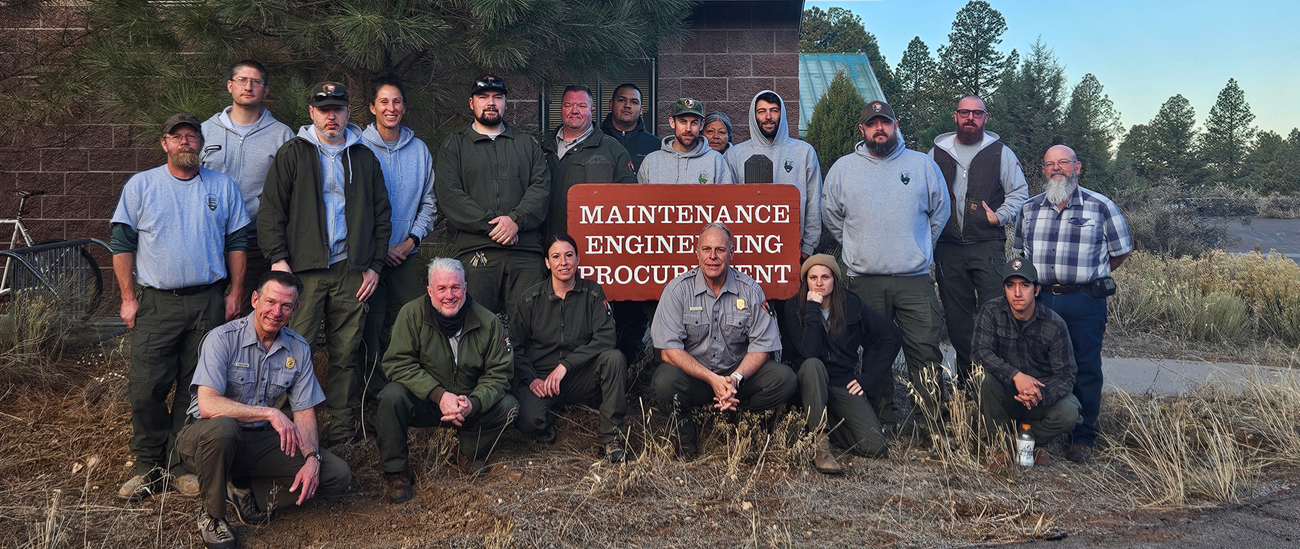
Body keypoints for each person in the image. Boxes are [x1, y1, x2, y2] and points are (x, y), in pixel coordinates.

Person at [111, 112, 250, 500]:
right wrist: (127, 298)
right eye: (178, 137)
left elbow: (237, 241)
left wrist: (235, 292)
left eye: (192, 137)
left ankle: (180, 465)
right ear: (165, 143)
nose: (186, 142)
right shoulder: (142, 186)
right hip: (157, 303)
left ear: (201, 144)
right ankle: (147, 467)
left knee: (196, 389)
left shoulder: (221, 186)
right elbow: (122, 245)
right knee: (146, 388)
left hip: (208, 301)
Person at [177, 272, 353, 549]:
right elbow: (208, 404)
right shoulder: (222, 338)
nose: (276, 312)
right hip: (205, 440)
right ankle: (213, 516)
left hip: (258, 442)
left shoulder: (298, 347)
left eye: (286, 306)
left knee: (335, 474)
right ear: (255, 299)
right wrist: (270, 413)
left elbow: (305, 412)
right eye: (271, 302)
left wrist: (312, 457)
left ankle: (247, 492)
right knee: (225, 428)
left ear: (295, 309)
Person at [259, 81, 392, 446]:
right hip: (303, 272)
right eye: (323, 109)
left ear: (349, 113)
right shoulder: (294, 154)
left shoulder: (364, 157)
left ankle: (343, 429)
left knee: (346, 352)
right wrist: (279, 262)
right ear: (312, 113)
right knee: (290, 348)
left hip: (352, 270)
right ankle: (282, 430)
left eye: (337, 109)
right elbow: (272, 211)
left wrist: (374, 265)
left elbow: (382, 215)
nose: (331, 116)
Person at [822, 100, 950, 430]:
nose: (880, 128)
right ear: (862, 130)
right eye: (872, 123)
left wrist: (916, 247)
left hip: (914, 280)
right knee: (875, 352)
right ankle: (883, 421)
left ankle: (931, 426)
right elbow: (832, 218)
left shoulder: (921, 165)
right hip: (864, 280)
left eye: (886, 122)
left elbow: (940, 213)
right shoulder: (843, 169)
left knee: (924, 352)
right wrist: (860, 247)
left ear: (895, 126)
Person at [1014, 145, 1131, 464]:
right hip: (1041, 299)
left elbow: (1121, 251)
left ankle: (1083, 437)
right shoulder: (1029, 209)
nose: (1056, 168)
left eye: (1063, 162)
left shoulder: (1100, 206)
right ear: (1043, 171)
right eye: (1049, 163)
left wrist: (1088, 277)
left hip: (1084, 300)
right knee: (1037, 365)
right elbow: (1020, 256)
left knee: (1085, 367)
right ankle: (1042, 435)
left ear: (1077, 167)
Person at [376, 258, 518, 503]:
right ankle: (397, 471)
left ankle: (466, 451)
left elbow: (499, 372)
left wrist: (473, 402)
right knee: (391, 396)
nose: (449, 295)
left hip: (467, 404)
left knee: (509, 407)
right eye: (441, 289)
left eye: (455, 287)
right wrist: (438, 394)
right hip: (426, 401)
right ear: (430, 291)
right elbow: (396, 363)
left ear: (465, 287)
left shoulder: (488, 322)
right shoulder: (411, 314)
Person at [650, 223, 796, 459]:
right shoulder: (677, 290)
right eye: (706, 249)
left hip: (735, 376)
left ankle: (741, 420)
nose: (713, 256)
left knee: (783, 378)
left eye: (720, 249)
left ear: (731, 253)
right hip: (696, 377)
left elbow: (763, 346)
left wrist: (734, 380)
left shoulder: (750, 290)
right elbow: (669, 351)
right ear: (697, 252)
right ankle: (686, 438)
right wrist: (712, 379)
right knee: (665, 380)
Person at [928, 95, 1029, 384]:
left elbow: (1019, 192)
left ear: (986, 117)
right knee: (959, 323)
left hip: (987, 246)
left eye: (977, 113)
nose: (970, 117)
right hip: (947, 248)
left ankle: (995, 384)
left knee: (996, 317)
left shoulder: (1000, 153)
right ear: (955, 116)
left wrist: (1001, 216)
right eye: (964, 112)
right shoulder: (935, 153)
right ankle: (967, 385)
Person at [435, 74, 550, 315]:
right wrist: (497, 227)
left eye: (497, 97)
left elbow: (541, 188)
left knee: (530, 326)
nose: (491, 102)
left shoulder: (526, 144)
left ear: (505, 103)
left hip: (525, 251)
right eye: (483, 97)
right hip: (475, 250)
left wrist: (515, 222)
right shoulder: (454, 146)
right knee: (475, 326)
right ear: (471, 102)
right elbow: (451, 196)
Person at [511, 235, 627, 461]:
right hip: (542, 380)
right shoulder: (530, 299)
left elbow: (606, 338)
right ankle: (547, 418)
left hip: (579, 375)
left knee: (614, 358)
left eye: (569, 255)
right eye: (556, 257)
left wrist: (566, 365)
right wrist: (531, 378)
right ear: (547, 263)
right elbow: (515, 347)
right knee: (527, 419)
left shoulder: (592, 293)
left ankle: (611, 438)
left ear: (577, 259)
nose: (563, 262)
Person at [783, 254, 900, 473]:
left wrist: (866, 380)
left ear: (834, 279)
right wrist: (812, 309)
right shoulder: (794, 307)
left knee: (875, 446)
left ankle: (831, 423)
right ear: (805, 280)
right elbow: (809, 351)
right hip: (809, 383)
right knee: (812, 365)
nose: (819, 283)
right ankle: (820, 444)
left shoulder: (850, 304)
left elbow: (890, 337)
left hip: (841, 382)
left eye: (825, 277)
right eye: (813, 277)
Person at [360, 78, 438, 401]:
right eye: (384, 102)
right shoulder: (359, 147)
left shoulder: (419, 151)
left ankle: (413, 391)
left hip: (407, 254)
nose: (391, 108)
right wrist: (379, 248)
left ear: (404, 107)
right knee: (371, 327)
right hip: (370, 258)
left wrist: (411, 241)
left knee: (414, 323)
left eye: (397, 102)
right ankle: (373, 396)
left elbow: (430, 203)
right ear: (373, 107)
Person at [201, 60, 295, 314]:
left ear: (265, 90)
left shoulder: (283, 136)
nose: (248, 86)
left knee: (247, 315)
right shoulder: (204, 132)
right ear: (230, 86)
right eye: (242, 80)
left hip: (256, 242)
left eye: (256, 82)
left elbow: (292, 193)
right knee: (207, 314)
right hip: (210, 239)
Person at [971, 258, 1081, 467]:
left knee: (1070, 412)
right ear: (1004, 290)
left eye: (1025, 285)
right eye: (1010, 286)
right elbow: (979, 352)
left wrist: (1040, 393)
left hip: (1038, 400)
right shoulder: (991, 311)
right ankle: (1001, 446)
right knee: (981, 378)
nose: (1017, 293)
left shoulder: (1054, 324)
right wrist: (1015, 376)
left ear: (1037, 290)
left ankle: (1031, 440)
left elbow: (1066, 375)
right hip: (1004, 394)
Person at [725, 90, 823, 260]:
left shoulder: (804, 152)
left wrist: (808, 247)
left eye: (774, 110)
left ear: (782, 114)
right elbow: (727, 206)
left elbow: (815, 202)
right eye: (761, 111)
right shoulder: (736, 155)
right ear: (753, 115)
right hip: (746, 251)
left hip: (794, 250)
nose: (768, 116)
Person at [541, 84, 636, 238]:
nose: (575, 111)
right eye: (568, 105)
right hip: (547, 248)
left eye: (582, 106)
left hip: (591, 245)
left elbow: (629, 203)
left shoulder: (611, 150)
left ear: (592, 111)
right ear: (561, 109)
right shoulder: (542, 149)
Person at [637, 98, 734, 184]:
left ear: (701, 125)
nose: (688, 128)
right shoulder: (652, 161)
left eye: (694, 123)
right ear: (672, 122)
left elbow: (727, 201)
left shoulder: (716, 161)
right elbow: (639, 201)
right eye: (683, 121)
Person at [599, 83, 659, 171]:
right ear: (611, 104)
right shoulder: (594, 140)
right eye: (621, 100)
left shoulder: (655, 146)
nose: (627, 105)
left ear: (641, 109)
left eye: (634, 102)